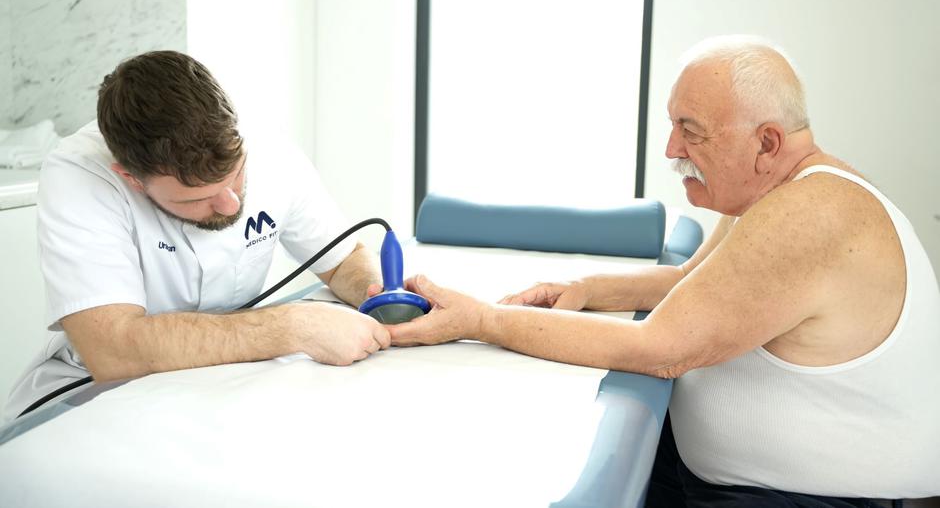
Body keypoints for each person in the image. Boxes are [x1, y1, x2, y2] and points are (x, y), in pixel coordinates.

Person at [386, 36, 940, 504]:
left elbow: (660, 350)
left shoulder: (808, 215)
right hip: (735, 477)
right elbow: (691, 282)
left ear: (766, 143)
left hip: (804, 497)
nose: (673, 148)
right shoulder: (777, 190)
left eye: (691, 131)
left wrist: (481, 320)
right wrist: (585, 289)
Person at [3, 51, 390, 422]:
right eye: (197, 198)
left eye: (236, 176)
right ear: (132, 178)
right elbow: (113, 351)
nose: (230, 204)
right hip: (94, 392)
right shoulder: (79, 175)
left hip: (225, 381)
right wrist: (293, 327)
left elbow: (343, 259)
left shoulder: (264, 145)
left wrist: (385, 299)